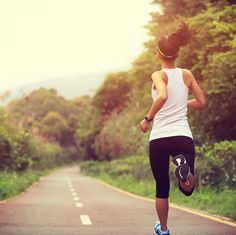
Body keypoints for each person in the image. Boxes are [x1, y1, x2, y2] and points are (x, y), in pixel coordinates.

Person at [139, 22, 206, 235]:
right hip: (182, 135)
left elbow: (163, 95)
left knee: (162, 188)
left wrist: (147, 118)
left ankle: (164, 230)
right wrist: (184, 103)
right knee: (187, 189)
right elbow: (201, 101)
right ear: (176, 54)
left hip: (159, 137)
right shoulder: (187, 74)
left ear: (159, 55)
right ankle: (183, 170)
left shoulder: (158, 75)